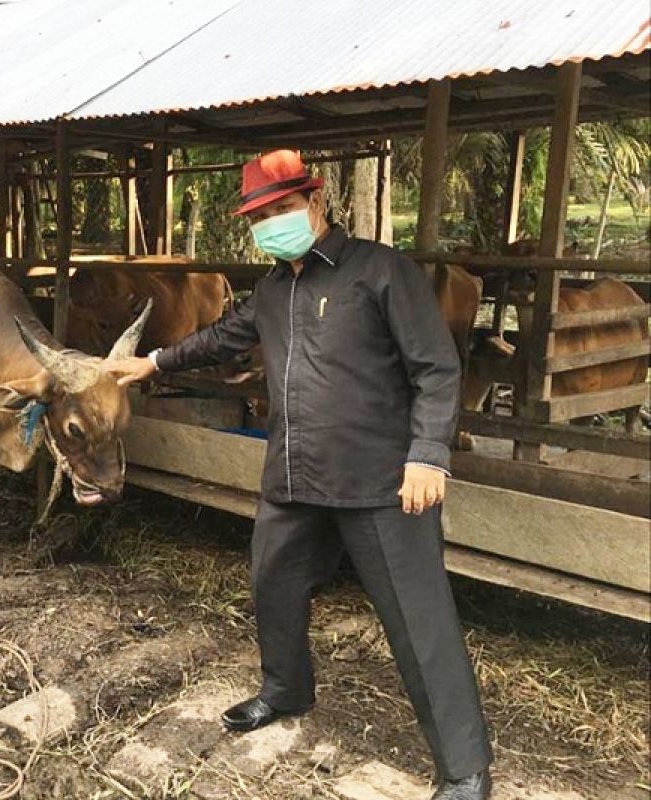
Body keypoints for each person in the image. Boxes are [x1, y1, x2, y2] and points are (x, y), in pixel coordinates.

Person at [105, 150, 492, 800]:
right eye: (261, 216)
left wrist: (428, 454)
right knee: (273, 585)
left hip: (381, 482)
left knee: (419, 620)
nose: (272, 223)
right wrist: (157, 363)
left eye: (282, 209)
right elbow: (224, 337)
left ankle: (464, 767)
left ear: (314, 204)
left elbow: (436, 368)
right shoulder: (272, 290)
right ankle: (285, 691)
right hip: (291, 474)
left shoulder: (381, 272)